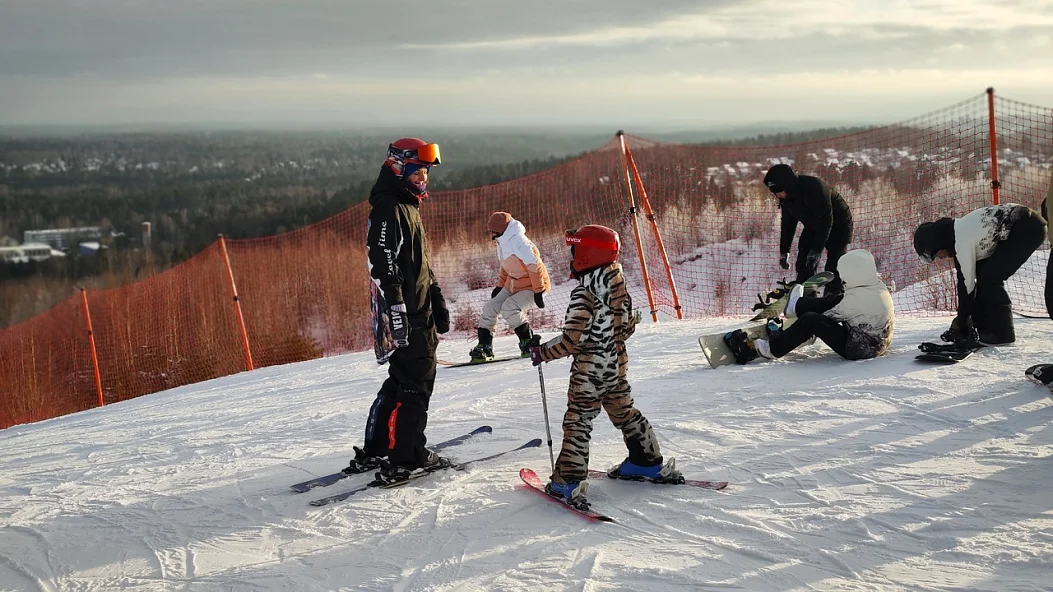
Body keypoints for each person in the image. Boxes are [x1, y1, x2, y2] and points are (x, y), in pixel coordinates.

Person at [527, 224, 681, 508]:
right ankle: (645, 460)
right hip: (615, 366)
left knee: (578, 420)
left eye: (575, 251)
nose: (572, 256)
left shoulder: (585, 294)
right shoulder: (618, 286)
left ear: (586, 256)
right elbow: (627, 327)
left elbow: (572, 341)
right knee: (624, 411)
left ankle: (568, 481)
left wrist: (542, 352)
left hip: (590, 371)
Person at [346, 137, 452, 484]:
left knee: (400, 380)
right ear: (397, 168)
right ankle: (407, 457)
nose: (423, 180)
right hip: (406, 312)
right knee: (416, 385)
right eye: (417, 172)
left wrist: (434, 293)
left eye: (426, 174)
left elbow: (417, 261)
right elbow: (381, 263)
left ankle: (378, 447)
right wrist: (397, 309)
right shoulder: (389, 208)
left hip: (418, 306)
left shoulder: (407, 205)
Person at [726, 249, 894, 363]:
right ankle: (795, 306)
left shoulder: (857, 299)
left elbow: (829, 316)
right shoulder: (877, 287)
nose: (843, 279)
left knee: (811, 320)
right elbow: (845, 304)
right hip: (877, 343)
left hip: (859, 350)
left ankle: (772, 349)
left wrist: (807, 326)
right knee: (836, 300)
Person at [913, 202, 1046, 346]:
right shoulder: (957, 231)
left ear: (936, 244)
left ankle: (1003, 335)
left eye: (933, 255)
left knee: (990, 278)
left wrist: (961, 324)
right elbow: (968, 283)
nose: (938, 258)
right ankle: (984, 328)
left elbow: (966, 288)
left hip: (1027, 228)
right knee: (985, 275)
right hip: (1026, 223)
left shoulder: (961, 242)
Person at [469, 212, 551, 362]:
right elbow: (506, 266)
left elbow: (535, 266)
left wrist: (539, 291)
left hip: (532, 286)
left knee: (509, 307)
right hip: (513, 284)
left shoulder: (520, 242)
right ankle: (484, 346)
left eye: (493, 230)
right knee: (490, 307)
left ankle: (527, 342)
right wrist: (500, 286)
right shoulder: (502, 241)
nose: (491, 234)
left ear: (501, 229)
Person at [763, 163, 854, 296]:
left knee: (834, 264)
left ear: (787, 186)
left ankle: (833, 294)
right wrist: (784, 251)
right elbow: (788, 225)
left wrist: (816, 251)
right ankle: (805, 293)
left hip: (839, 224)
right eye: (774, 193)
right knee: (804, 260)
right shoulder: (787, 199)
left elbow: (826, 222)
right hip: (814, 225)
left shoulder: (815, 188)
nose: (777, 196)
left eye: (778, 191)